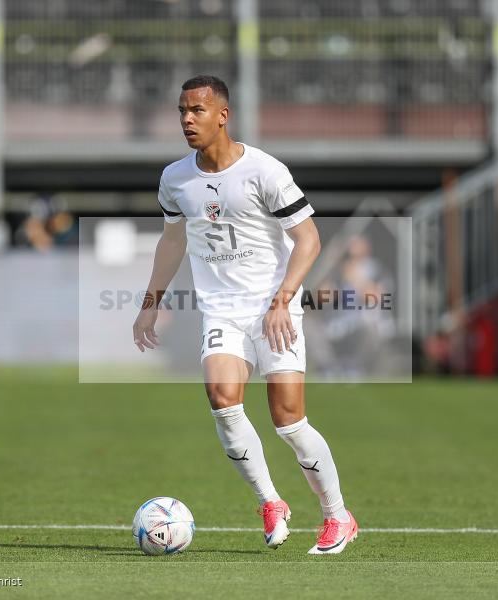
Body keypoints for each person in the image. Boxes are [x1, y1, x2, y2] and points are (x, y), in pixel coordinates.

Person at [132, 75, 358, 554]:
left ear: (222, 115)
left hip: (274, 309)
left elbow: (310, 239)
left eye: (196, 110)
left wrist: (283, 299)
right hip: (221, 312)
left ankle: (339, 516)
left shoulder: (264, 171)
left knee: (288, 420)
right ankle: (271, 502)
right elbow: (172, 242)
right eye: (181, 111)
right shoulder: (175, 179)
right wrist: (149, 306)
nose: (187, 119)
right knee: (222, 396)